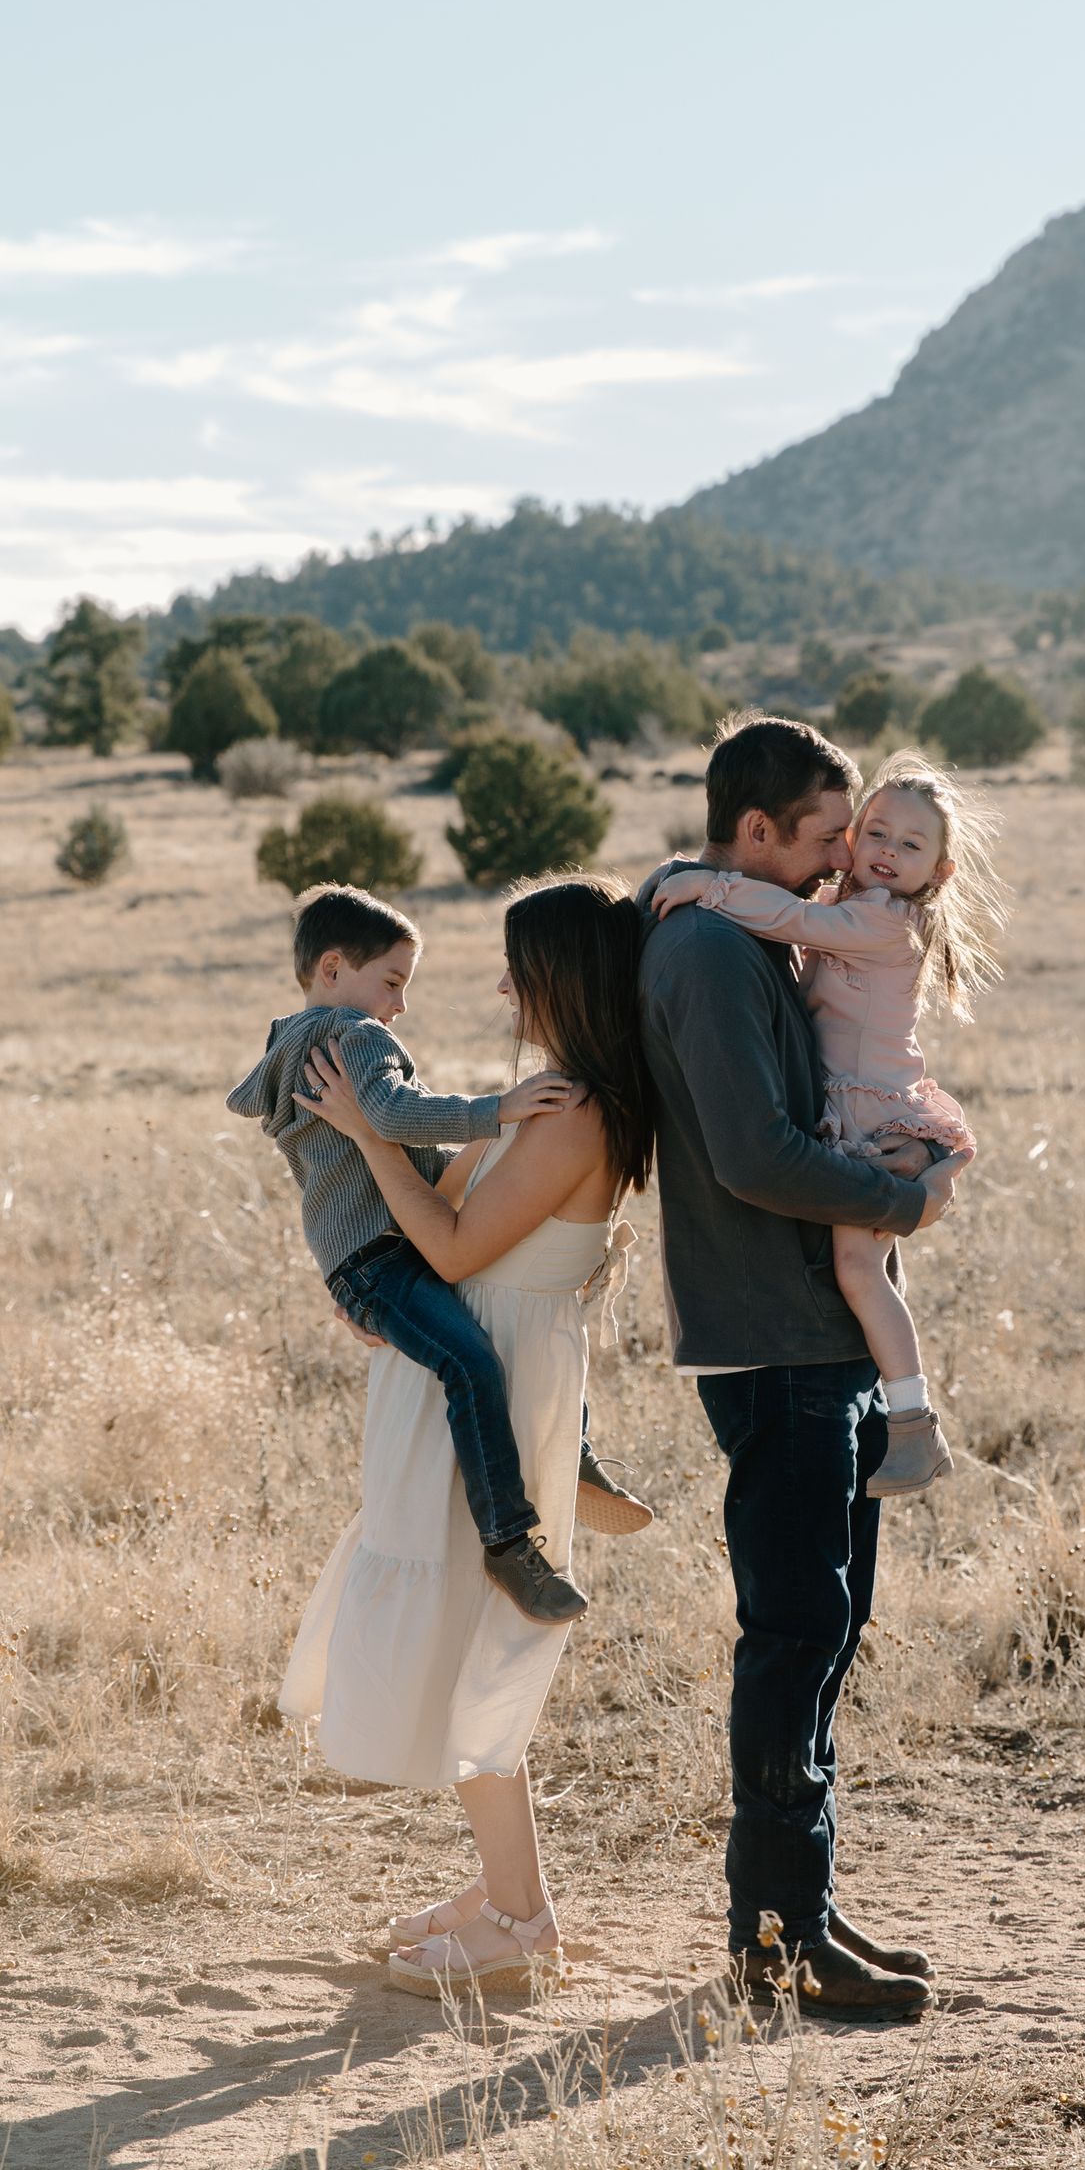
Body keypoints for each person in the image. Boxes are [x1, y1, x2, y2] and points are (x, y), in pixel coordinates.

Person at [638, 719, 964, 2019]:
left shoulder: (762, 929)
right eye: (830, 837)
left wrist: (917, 1165)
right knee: (792, 1636)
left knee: (828, 1631)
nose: (849, 864)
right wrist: (906, 1207)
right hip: (769, 1337)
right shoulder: (712, 947)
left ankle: (806, 1908)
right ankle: (771, 1945)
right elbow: (754, 1157)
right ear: (758, 832)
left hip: (818, 1335)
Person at [282, 875, 655, 1997]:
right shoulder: (544, 1095)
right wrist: (367, 1280)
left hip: (495, 1381)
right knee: (457, 1631)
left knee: (478, 1640)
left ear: (559, 980)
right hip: (460, 1369)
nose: (498, 985)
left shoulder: (579, 1112)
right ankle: (507, 1892)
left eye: (514, 965)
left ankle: (517, 1919)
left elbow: (447, 1246)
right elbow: (421, 1224)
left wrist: (362, 1131)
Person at [225, 881, 589, 1626]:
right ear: (332, 969)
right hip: (383, 1255)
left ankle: (570, 1449)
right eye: (392, 982)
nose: (400, 1005)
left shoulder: (293, 1045)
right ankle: (509, 1539)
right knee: (473, 1360)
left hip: (365, 1255)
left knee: (499, 1325)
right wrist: (500, 1110)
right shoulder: (354, 1038)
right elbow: (392, 1115)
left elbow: (386, 1142)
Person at [652, 749, 1000, 1497]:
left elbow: (786, 918)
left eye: (910, 846)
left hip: (872, 1109)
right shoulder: (856, 902)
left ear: (938, 871)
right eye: (870, 833)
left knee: (859, 1271)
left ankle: (914, 1424)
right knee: (862, 1271)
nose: (880, 852)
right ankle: (906, 1420)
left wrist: (705, 885)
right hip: (856, 1102)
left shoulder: (885, 922)